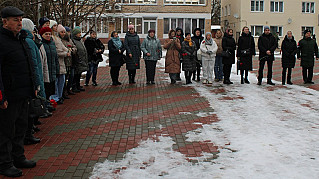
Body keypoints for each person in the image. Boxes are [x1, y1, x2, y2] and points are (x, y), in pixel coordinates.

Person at [0, 6, 37, 177]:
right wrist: (1, 97)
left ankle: (18, 157)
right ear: (5, 21)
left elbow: (29, 65)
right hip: (9, 96)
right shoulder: (2, 41)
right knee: (6, 131)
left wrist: (34, 86)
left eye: (21, 20)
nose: (19, 23)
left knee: (21, 128)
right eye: (15, 20)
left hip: (24, 93)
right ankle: (4, 163)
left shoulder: (21, 39)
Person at [22, 18, 43, 145]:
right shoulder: (28, 41)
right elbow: (33, 64)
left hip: (30, 80)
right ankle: (27, 134)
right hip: (26, 82)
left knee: (29, 110)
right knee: (28, 111)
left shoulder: (29, 41)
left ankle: (29, 132)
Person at [40, 27, 60, 101]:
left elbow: (56, 58)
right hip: (46, 71)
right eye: (46, 34)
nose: (48, 36)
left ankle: (50, 102)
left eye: (49, 34)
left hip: (53, 71)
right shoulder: (41, 44)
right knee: (46, 89)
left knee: (51, 89)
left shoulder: (52, 43)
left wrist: (57, 70)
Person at [52, 24, 69, 104]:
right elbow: (57, 51)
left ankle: (59, 96)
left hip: (61, 64)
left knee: (61, 81)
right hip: (58, 63)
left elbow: (64, 48)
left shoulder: (58, 38)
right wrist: (66, 53)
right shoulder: (53, 38)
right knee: (57, 82)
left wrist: (68, 51)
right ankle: (56, 97)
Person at [61, 26, 77, 95]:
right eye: (65, 32)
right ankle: (64, 91)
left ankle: (68, 89)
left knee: (71, 76)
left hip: (71, 60)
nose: (67, 33)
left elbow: (74, 47)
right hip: (65, 61)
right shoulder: (61, 40)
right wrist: (67, 50)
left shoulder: (70, 40)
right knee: (65, 77)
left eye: (68, 32)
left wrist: (72, 50)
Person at [72, 27, 88, 92]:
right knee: (76, 74)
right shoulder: (73, 40)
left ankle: (78, 85)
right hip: (77, 60)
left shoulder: (80, 40)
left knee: (79, 73)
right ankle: (74, 86)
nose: (80, 34)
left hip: (82, 59)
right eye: (78, 33)